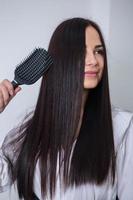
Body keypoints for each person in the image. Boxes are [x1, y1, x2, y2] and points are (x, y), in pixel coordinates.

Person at [0, 17, 133, 200]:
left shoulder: (123, 127)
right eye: (82, 52)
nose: (93, 60)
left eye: (98, 51)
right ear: (61, 60)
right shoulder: (28, 129)